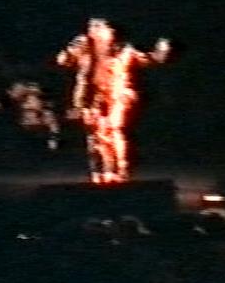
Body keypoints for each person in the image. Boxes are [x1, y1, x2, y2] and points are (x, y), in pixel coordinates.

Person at [56, 18, 170, 183]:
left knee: (115, 129)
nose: (106, 33)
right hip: (92, 97)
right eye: (97, 28)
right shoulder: (84, 49)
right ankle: (101, 171)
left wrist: (162, 51)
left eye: (106, 29)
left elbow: (149, 59)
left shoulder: (125, 50)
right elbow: (63, 61)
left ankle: (121, 170)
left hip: (118, 95)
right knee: (95, 135)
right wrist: (70, 49)